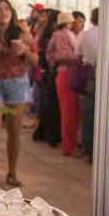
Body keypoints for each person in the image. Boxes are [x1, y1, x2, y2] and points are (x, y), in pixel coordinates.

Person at [0, 0, 37, 187]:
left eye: (6, 8)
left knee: (14, 128)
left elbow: (36, 61)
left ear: (11, 12)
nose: (2, 12)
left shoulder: (22, 33)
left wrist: (24, 50)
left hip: (17, 84)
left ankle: (12, 171)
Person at [74, 8, 109, 160]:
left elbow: (78, 56)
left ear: (91, 19)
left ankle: (88, 151)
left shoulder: (84, 34)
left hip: (88, 77)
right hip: (107, 78)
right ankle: (104, 153)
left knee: (88, 115)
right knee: (106, 116)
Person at [46, 12, 81, 156]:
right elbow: (77, 50)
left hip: (60, 73)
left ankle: (68, 145)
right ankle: (70, 146)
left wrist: (54, 63)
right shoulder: (69, 34)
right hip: (71, 73)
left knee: (64, 111)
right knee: (71, 113)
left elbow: (49, 52)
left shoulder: (55, 35)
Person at [32, 9, 62, 146]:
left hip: (46, 72)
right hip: (51, 72)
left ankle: (43, 133)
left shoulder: (45, 33)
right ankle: (50, 135)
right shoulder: (52, 34)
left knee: (48, 104)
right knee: (52, 106)